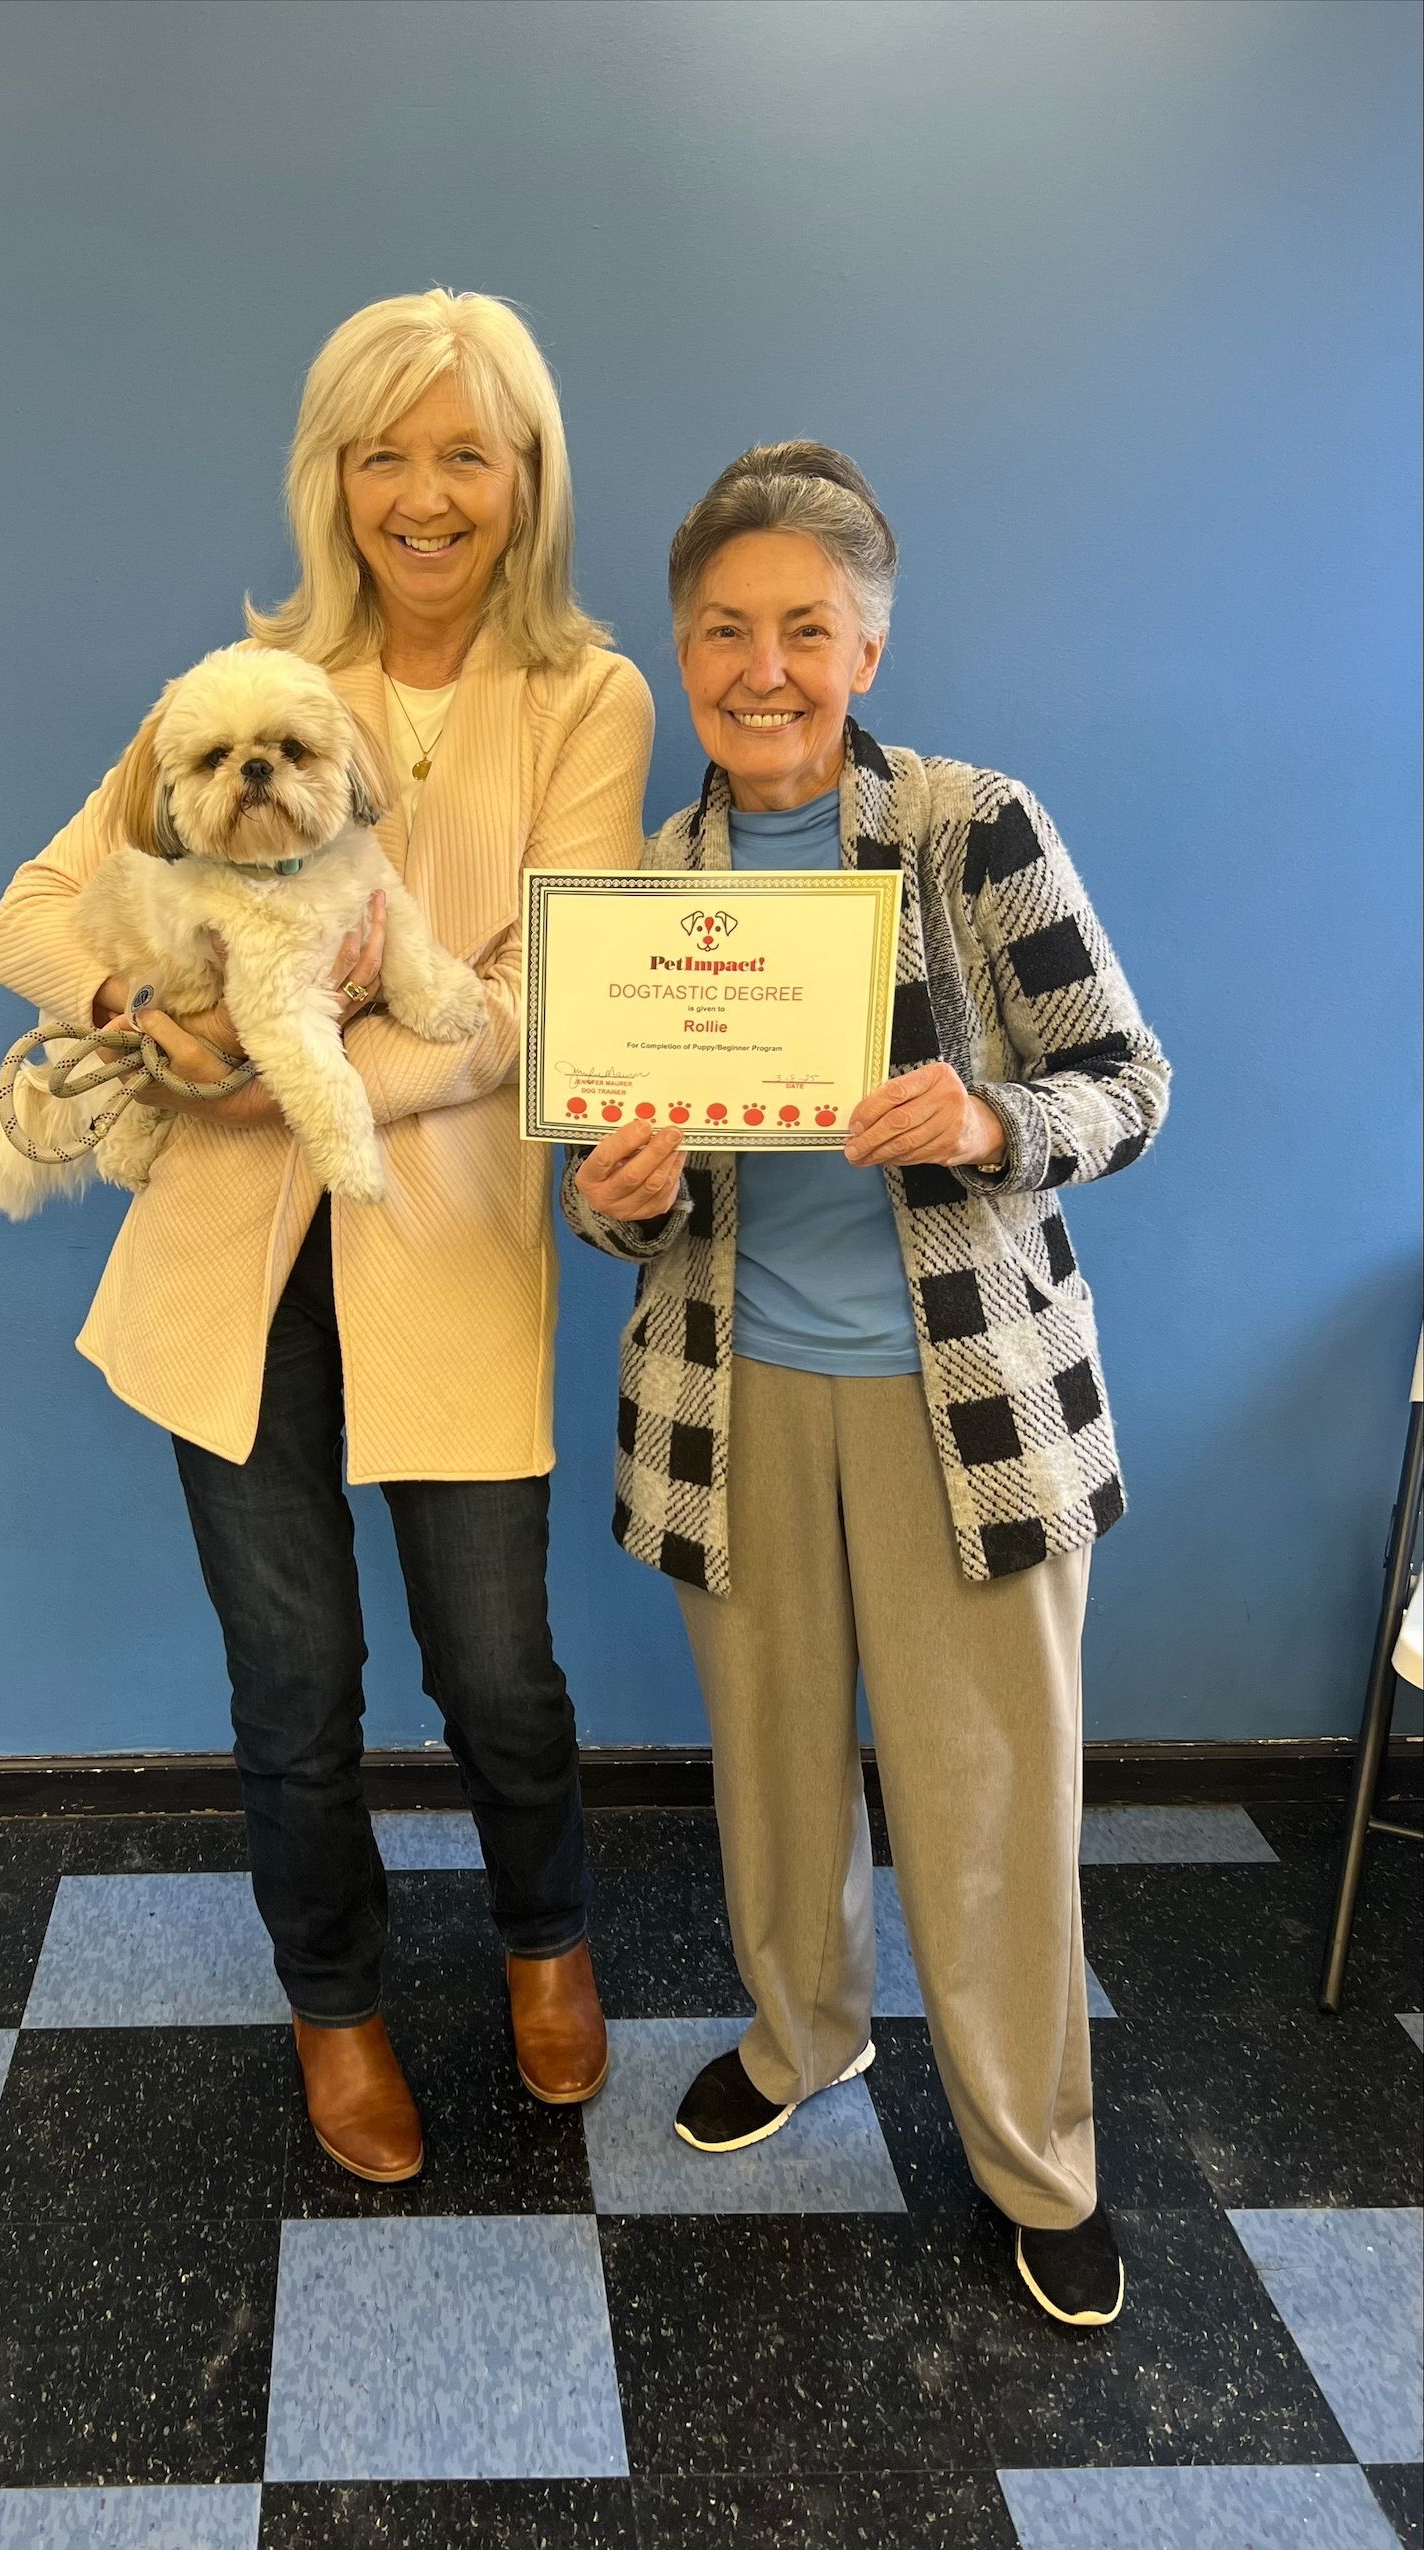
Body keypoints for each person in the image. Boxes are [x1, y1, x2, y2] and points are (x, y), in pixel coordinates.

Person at [0, 290, 653, 2183]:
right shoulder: (252, 671)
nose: (424, 495)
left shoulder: (585, 696)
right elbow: (42, 906)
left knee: (497, 1667)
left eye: (466, 451)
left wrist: (327, 1067)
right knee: (292, 1686)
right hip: (231, 1261)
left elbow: (551, 989)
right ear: (332, 476)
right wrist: (147, 1016)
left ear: (525, 478)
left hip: (437, 1238)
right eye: (384, 453)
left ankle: (546, 1945)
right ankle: (337, 2006)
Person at [565, 442, 1169, 2325]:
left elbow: (1129, 1083)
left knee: (989, 1802)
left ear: (868, 650)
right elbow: (615, 1197)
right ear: (681, 651)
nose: (763, 668)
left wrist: (989, 1116)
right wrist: (612, 1200)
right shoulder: (644, 885)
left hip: (956, 1407)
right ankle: (803, 2027)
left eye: (804, 631)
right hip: (730, 1400)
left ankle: (1033, 2155)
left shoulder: (974, 827)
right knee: (771, 1778)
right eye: (726, 631)